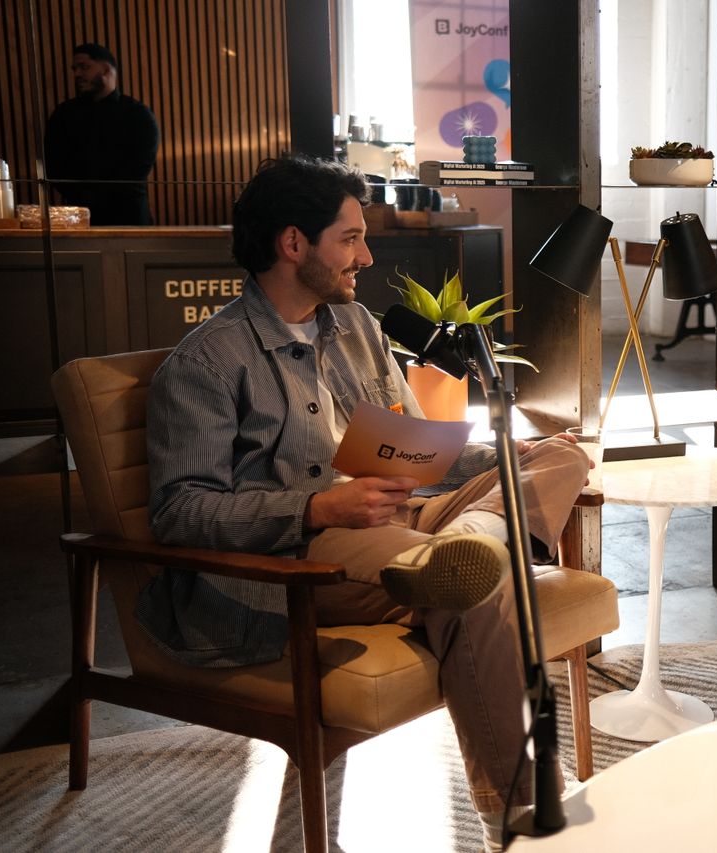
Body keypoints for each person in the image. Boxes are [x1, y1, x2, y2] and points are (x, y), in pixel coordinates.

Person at [139, 153, 589, 850]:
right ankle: (521, 818)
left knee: (558, 453)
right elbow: (179, 511)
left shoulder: (354, 327)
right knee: (476, 587)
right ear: (294, 244)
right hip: (304, 547)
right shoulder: (207, 362)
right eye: (349, 238)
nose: (366, 255)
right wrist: (317, 508)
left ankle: (471, 542)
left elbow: (412, 448)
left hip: (409, 517)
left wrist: (496, 458)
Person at [45, 43, 159, 225]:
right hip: (78, 217)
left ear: (106, 69)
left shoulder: (138, 115)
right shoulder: (63, 114)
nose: (77, 74)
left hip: (129, 218)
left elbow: (139, 167)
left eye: (84, 67)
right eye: (75, 69)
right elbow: (53, 165)